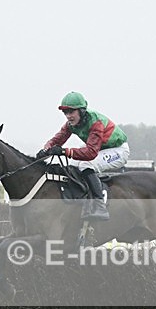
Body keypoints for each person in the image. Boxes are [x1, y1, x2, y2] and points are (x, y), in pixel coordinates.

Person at [36, 91, 129, 221]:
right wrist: (46, 149)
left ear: (82, 111)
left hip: (118, 151)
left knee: (86, 164)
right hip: (100, 150)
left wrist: (64, 151)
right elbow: (57, 140)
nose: (68, 116)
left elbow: (91, 153)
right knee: (71, 164)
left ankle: (99, 205)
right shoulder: (71, 124)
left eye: (71, 112)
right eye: (65, 112)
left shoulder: (96, 123)